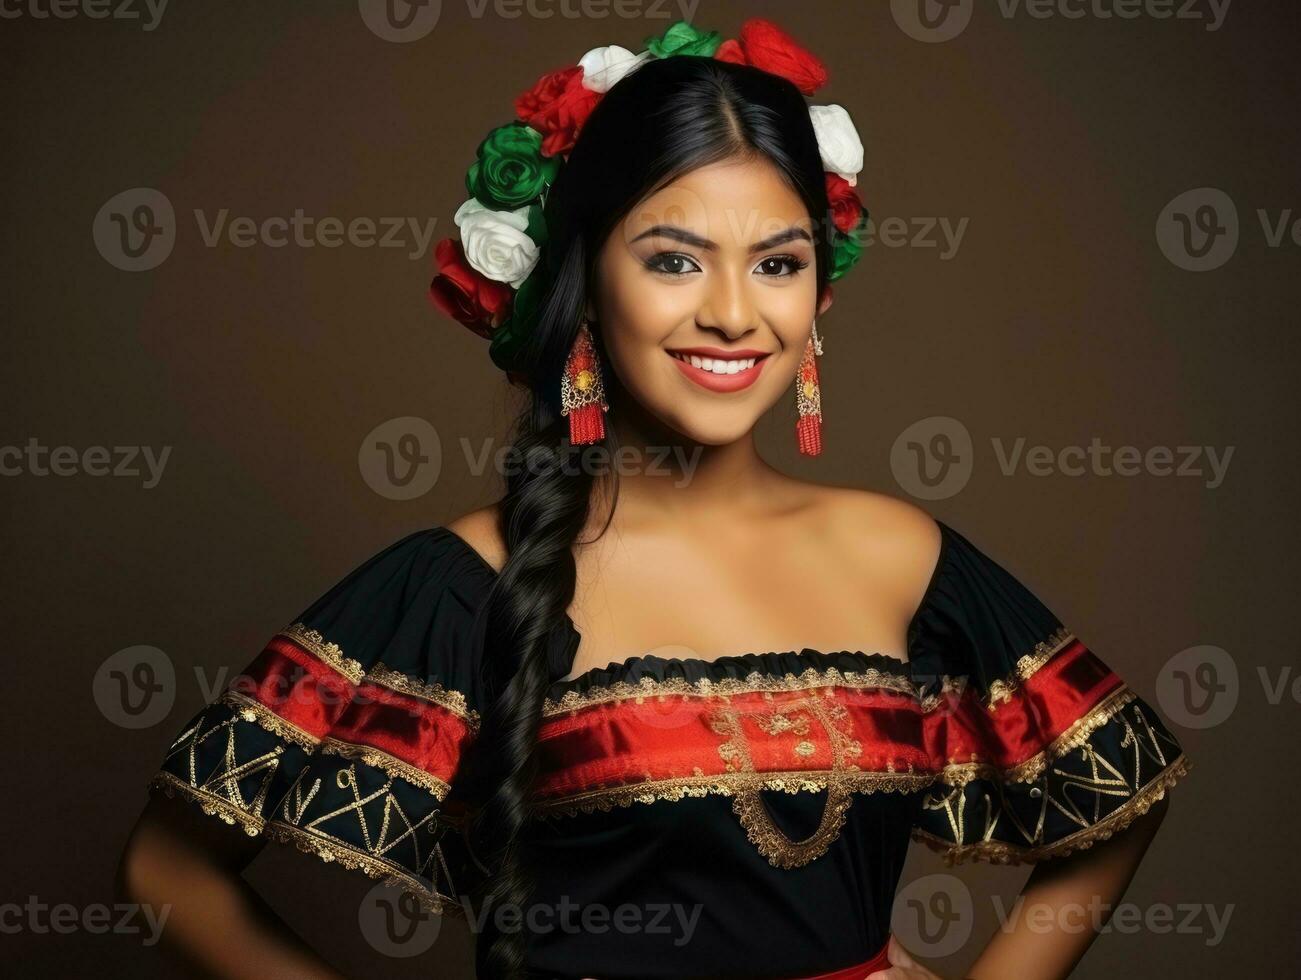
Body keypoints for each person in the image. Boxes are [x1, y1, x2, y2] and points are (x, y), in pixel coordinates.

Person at [117, 18, 1188, 980]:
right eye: (674, 260)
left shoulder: (895, 552)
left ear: (817, 292)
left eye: (777, 262)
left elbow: (1118, 792)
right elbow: (171, 869)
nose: (733, 313)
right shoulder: (458, 584)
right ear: (585, 280)